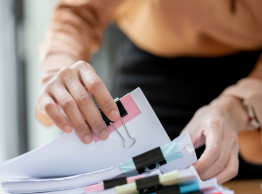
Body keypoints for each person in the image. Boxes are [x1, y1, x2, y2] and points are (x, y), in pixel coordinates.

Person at [36, 0, 262, 184]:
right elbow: (80, 12)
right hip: (149, 77)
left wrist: (241, 106)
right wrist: (57, 71)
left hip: (253, 78)